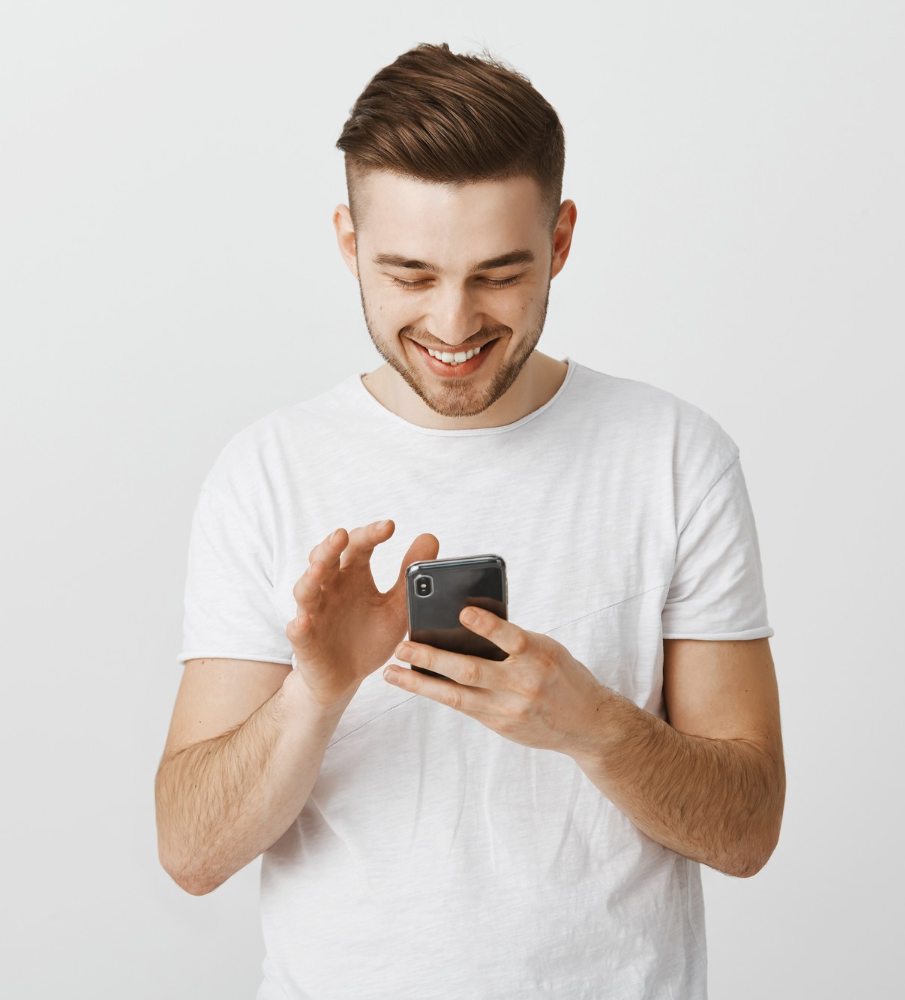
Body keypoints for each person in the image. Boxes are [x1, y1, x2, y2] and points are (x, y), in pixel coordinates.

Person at [155, 42, 785, 1000]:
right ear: (348, 242)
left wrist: (595, 728)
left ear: (562, 240)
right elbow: (192, 854)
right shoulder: (266, 472)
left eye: (498, 273)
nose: (454, 324)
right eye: (409, 274)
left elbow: (746, 834)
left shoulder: (674, 457)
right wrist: (313, 694)